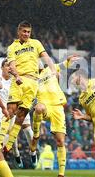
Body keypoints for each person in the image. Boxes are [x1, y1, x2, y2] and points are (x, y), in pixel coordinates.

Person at [4, 21, 57, 160]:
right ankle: (0, 142)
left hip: (32, 82)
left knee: (21, 116)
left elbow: (45, 56)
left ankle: (8, 147)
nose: (26, 34)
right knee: (10, 112)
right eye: (24, 31)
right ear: (18, 32)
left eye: (28, 32)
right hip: (18, 81)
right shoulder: (12, 47)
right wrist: (16, 76)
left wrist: (53, 69)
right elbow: (12, 64)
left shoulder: (36, 43)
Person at [0, 57, 34, 177]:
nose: (9, 68)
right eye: (7, 66)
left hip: (9, 117)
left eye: (10, 66)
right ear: (1, 68)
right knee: (3, 145)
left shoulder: (14, 82)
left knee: (5, 145)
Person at [30, 54, 80, 177]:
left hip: (58, 107)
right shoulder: (32, 78)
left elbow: (63, 65)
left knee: (61, 142)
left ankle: (61, 175)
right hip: (45, 106)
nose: (38, 63)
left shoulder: (51, 69)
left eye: (38, 61)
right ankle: (35, 136)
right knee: (38, 108)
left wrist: (69, 60)